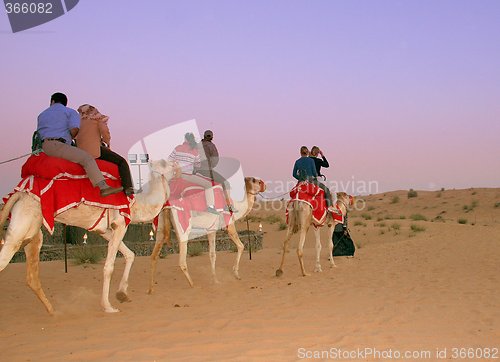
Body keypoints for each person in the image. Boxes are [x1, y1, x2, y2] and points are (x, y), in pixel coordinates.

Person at [37, 92, 122, 197]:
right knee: (87, 158)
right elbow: (74, 130)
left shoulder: (42, 114)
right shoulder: (70, 112)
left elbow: (39, 134)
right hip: (59, 145)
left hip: (45, 146)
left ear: (52, 102)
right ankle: (104, 187)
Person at [76, 104, 134, 196]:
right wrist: (107, 141)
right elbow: (105, 133)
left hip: (79, 151)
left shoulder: (78, 122)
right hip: (94, 150)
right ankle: (128, 187)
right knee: (121, 161)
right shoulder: (96, 119)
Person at [168, 132, 218, 214]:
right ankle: (210, 206)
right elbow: (198, 165)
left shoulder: (177, 148)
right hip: (187, 176)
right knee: (208, 185)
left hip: (175, 175)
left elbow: (169, 160)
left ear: (185, 139)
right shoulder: (195, 151)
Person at [196, 130, 235, 212]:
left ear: (204, 136)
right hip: (207, 170)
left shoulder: (197, 145)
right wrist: (211, 166)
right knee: (226, 183)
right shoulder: (211, 145)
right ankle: (228, 206)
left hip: (196, 171)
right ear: (212, 137)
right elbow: (215, 159)